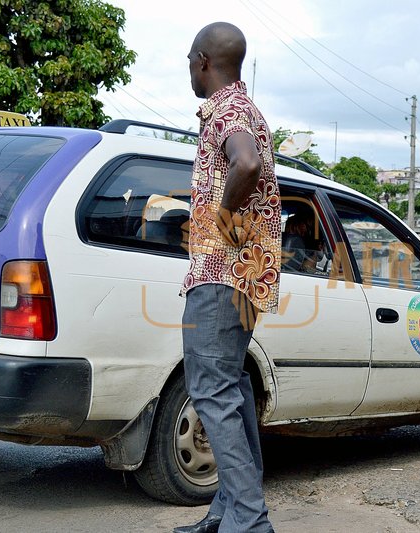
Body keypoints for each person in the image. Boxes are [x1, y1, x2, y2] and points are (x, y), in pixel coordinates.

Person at [177, 22, 279, 533]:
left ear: (203, 61)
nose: (188, 70)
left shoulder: (229, 111)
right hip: (243, 276)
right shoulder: (247, 108)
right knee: (230, 389)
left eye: (189, 61)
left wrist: (218, 220)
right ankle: (229, 512)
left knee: (213, 393)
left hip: (221, 274)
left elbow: (247, 163)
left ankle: (250, 522)